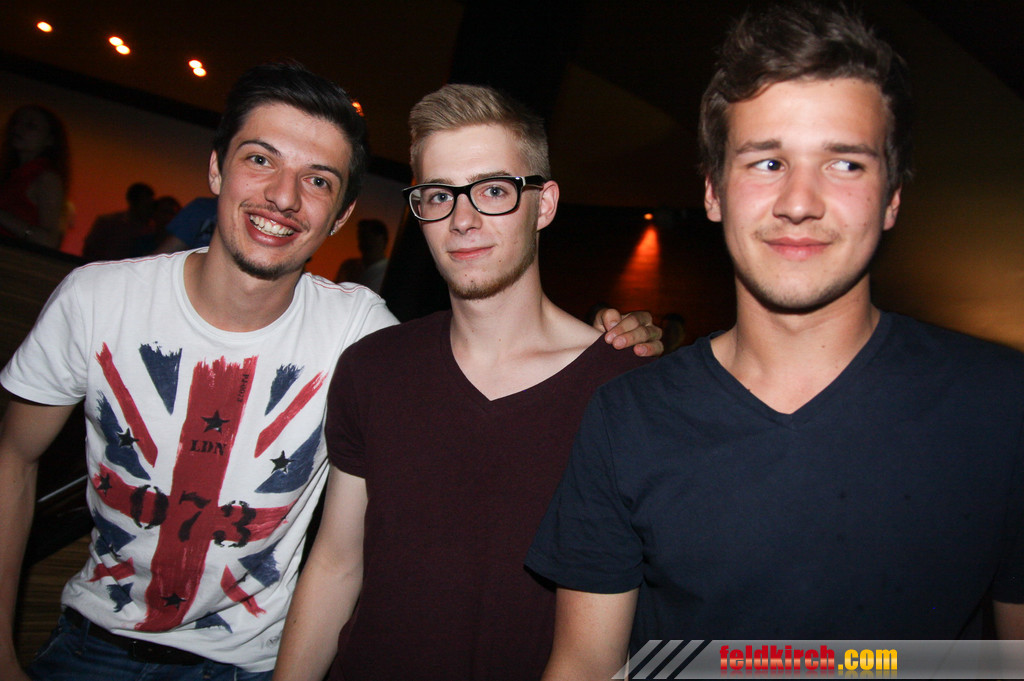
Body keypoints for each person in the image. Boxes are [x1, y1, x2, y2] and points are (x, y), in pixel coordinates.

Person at [526, 3, 1024, 677]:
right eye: (766, 162)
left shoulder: (1002, 405)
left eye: (844, 164)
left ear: (893, 197)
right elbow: (585, 664)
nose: (798, 201)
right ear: (713, 192)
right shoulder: (627, 419)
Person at [0, 61, 396, 681]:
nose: (284, 197)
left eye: (318, 180)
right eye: (260, 160)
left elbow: (345, 552)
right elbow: (12, 459)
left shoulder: (361, 334)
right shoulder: (97, 300)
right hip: (89, 648)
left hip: (246, 668)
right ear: (216, 169)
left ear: (341, 215)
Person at [273, 84, 659, 681]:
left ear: (544, 205)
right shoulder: (373, 368)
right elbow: (336, 564)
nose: (463, 219)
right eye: (438, 195)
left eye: (494, 190)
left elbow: (609, 647)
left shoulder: (622, 388)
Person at [0, 105, 71, 249]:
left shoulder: (46, 178)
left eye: (31, 126)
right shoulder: (12, 173)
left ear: (50, 139)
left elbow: (49, 240)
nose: (18, 129)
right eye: (16, 123)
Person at [82, 182, 157, 261]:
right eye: (145, 204)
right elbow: (90, 249)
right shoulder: (108, 222)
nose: (148, 209)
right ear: (133, 202)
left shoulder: (150, 229)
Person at [334, 217, 389, 293]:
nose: (367, 243)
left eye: (372, 238)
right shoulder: (349, 267)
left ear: (383, 241)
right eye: (363, 238)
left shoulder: (388, 271)